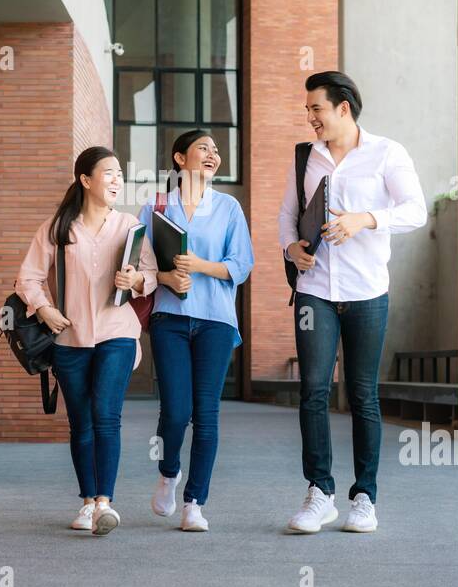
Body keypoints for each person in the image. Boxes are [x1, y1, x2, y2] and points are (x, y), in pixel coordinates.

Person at [277, 71, 427, 534]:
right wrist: (290, 249)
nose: (310, 118)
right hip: (315, 291)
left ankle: (364, 497)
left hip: (366, 293)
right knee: (314, 392)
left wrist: (366, 218)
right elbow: (286, 215)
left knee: (362, 396)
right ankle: (319, 493)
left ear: (343, 107)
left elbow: (415, 211)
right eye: (307, 110)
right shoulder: (306, 157)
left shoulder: (387, 153)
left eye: (316, 109)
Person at [17, 146, 158, 536]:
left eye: (119, 174)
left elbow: (151, 274)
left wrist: (137, 281)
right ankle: (86, 501)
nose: (116, 180)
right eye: (108, 173)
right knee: (80, 422)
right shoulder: (57, 228)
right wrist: (44, 309)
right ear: (85, 180)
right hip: (70, 339)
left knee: (106, 416)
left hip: (117, 333)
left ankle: (104, 504)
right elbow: (27, 278)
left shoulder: (130, 226)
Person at [139, 130, 254, 532]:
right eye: (204, 148)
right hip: (169, 319)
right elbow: (141, 266)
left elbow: (240, 265)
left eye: (217, 150)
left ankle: (194, 503)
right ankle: (169, 472)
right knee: (175, 409)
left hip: (216, 322)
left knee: (206, 414)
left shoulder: (228, 207)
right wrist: (169, 278)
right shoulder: (156, 207)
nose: (213, 155)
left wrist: (197, 265)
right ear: (180, 158)